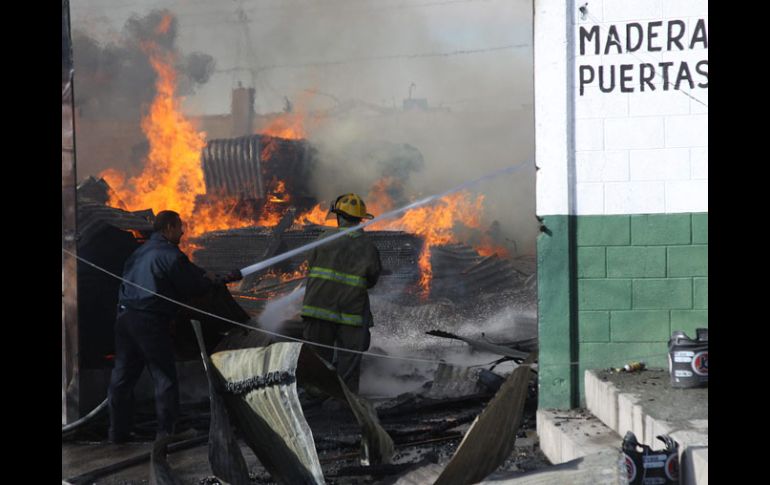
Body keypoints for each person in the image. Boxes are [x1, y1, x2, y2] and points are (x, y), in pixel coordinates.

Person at [108, 210, 242, 443]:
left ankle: (117, 432)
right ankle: (167, 432)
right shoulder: (170, 255)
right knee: (164, 377)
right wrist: (212, 282)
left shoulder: (140, 252)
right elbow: (192, 287)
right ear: (169, 227)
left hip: (125, 319)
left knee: (122, 378)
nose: (182, 231)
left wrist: (204, 275)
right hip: (149, 322)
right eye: (180, 227)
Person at [300, 193, 382, 392]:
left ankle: (314, 399)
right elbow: (372, 280)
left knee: (317, 361)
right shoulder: (369, 248)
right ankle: (346, 401)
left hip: (317, 310)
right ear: (360, 219)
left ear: (339, 216)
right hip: (351, 315)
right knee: (349, 365)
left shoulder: (323, 239)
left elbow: (310, 266)